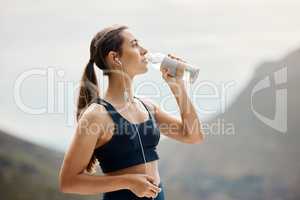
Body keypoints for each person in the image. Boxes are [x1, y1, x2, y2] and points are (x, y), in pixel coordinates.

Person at [58, 24, 205, 200]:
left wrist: (177, 86)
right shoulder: (97, 115)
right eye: (135, 44)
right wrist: (128, 182)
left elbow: (193, 136)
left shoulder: (147, 106)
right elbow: (68, 182)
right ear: (115, 57)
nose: (144, 50)